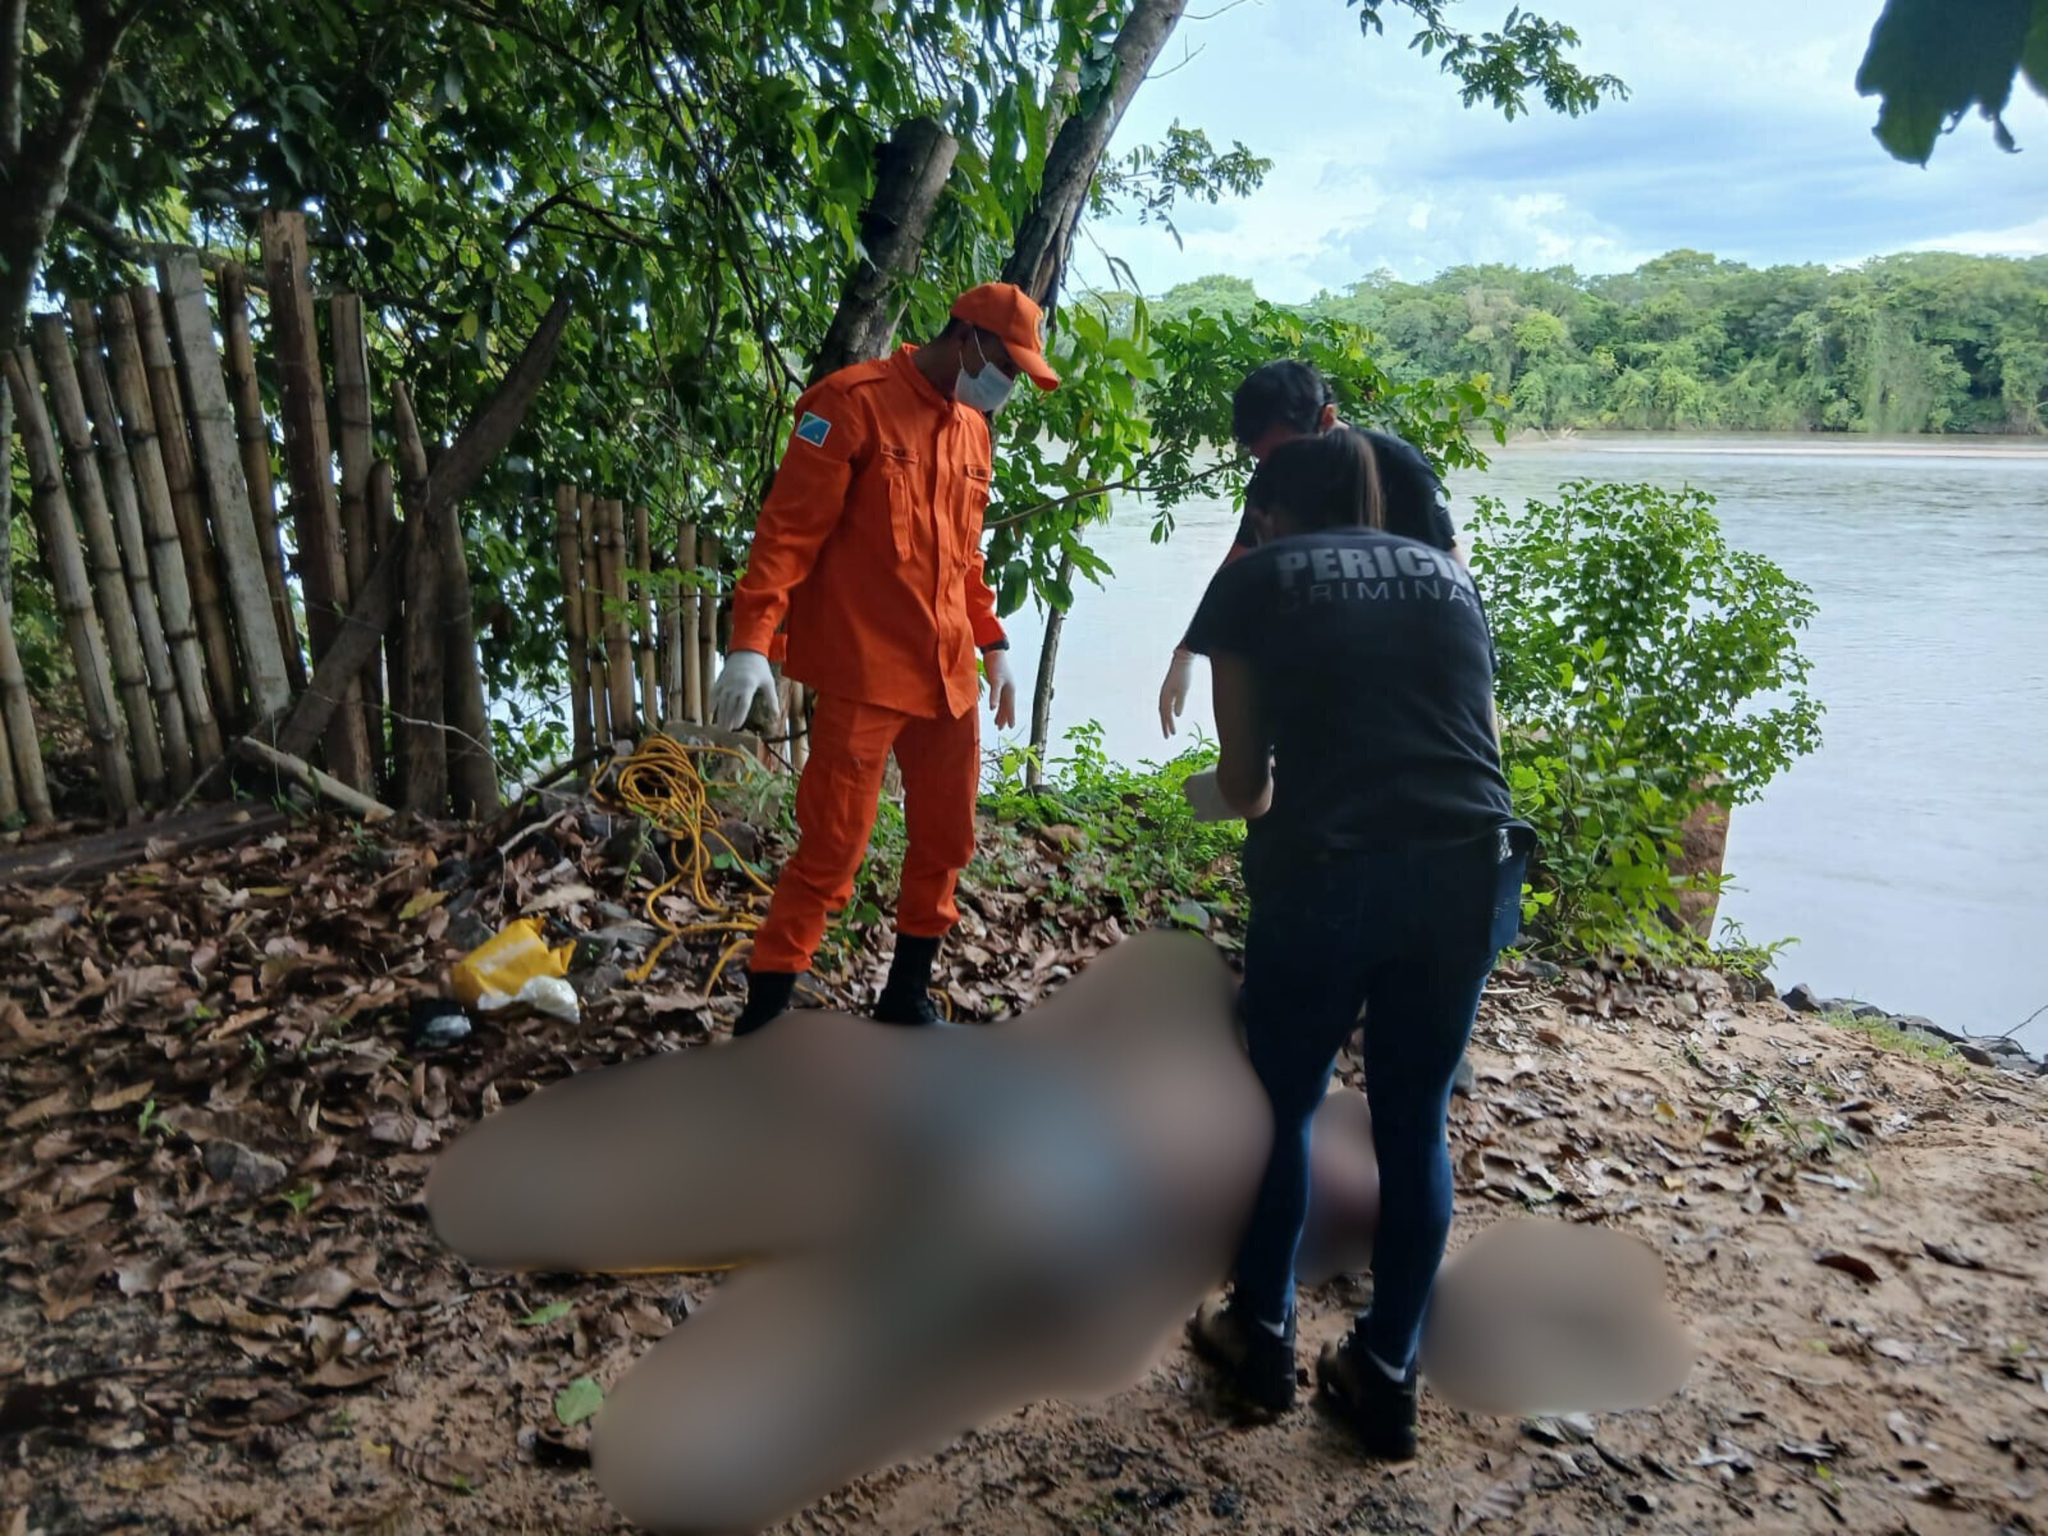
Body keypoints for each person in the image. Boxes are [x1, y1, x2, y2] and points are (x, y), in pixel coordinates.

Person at [426, 931, 1689, 1536]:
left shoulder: (1262, 1090)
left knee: (913, 1274)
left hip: (1057, 1190)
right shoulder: (1357, 1168)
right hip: (1074, 1207)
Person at [1179, 427, 1535, 1462]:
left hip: (1330, 876)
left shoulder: (1253, 579)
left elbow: (1244, 786)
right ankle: (1385, 1371)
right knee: (1413, 1121)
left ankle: (1261, 1333)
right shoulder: (1449, 577)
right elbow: (1482, 749)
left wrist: (1208, 798)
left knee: (1283, 1105)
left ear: (1270, 515)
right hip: (1469, 871)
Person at [709, 284, 1060, 1035]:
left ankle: (906, 996)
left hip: (948, 674)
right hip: (865, 673)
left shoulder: (973, 431)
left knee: (946, 840)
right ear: (966, 338)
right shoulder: (849, 404)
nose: (1007, 384)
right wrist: (750, 642)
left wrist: (993, 642)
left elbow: (964, 557)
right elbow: (786, 535)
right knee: (832, 847)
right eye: (1005, 365)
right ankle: (763, 1017)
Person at [1157, 359, 1464, 740]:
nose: (1278, 471)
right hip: (1322, 660)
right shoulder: (1271, 477)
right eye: (1265, 460)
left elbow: (1454, 579)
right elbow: (1239, 563)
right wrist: (1187, 650)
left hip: (1404, 663)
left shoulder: (1399, 468)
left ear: (1327, 418)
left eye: (1286, 453)